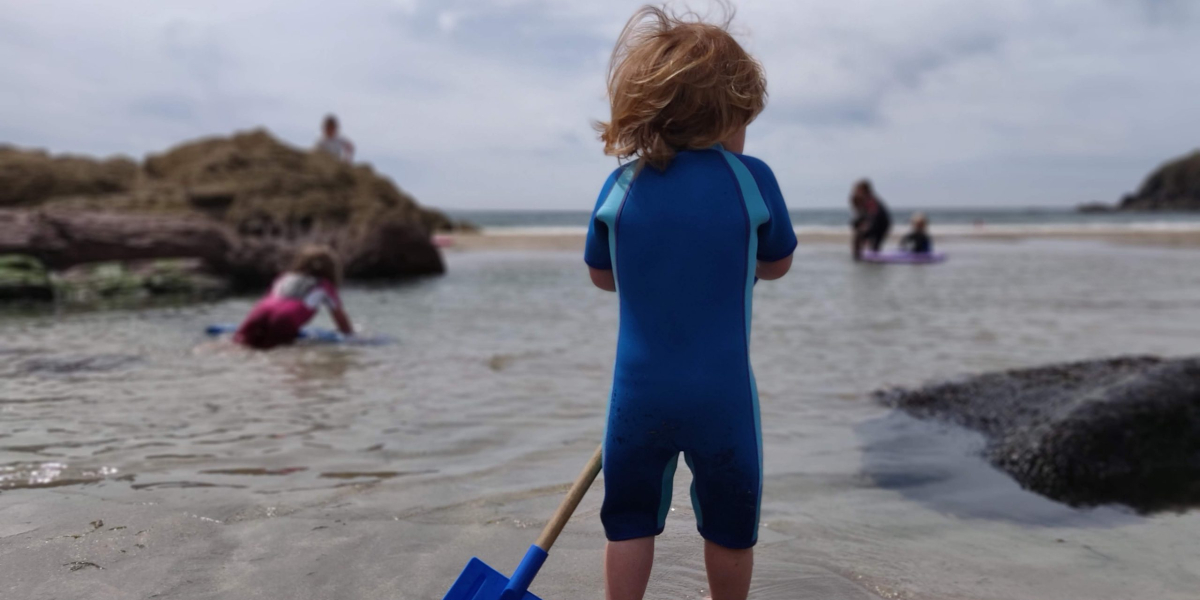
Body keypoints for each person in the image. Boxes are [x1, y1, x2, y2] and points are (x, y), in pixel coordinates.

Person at [586, 6, 795, 600]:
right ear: (727, 114)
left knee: (627, 518)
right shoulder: (751, 179)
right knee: (731, 524)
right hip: (721, 395)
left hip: (637, 394)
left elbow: (605, 277)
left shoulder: (620, 185)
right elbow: (776, 264)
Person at [233, 245, 354, 349]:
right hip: (286, 318)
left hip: (260, 311)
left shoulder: (284, 277)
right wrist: (350, 336)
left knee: (239, 346)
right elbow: (340, 319)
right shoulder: (325, 286)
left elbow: (269, 299)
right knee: (277, 354)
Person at [850, 179, 891, 260]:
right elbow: (860, 216)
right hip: (876, 223)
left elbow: (873, 216)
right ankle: (859, 258)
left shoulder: (871, 200)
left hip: (881, 224)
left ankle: (860, 259)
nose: (856, 191)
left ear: (865, 190)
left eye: (858, 190)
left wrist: (866, 226)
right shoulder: (861, 200)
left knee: (872, 245)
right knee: (858, 232)